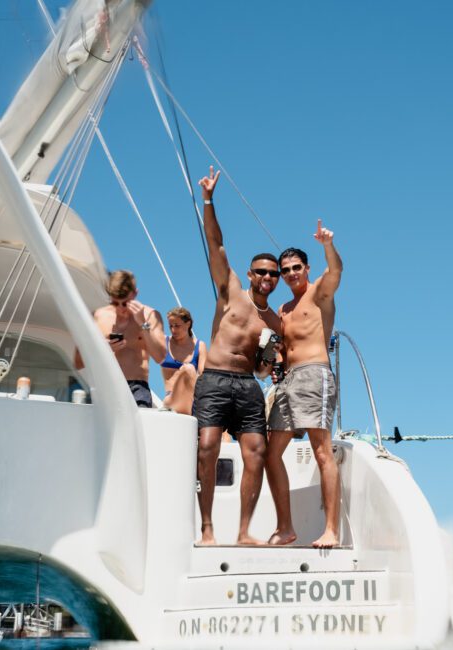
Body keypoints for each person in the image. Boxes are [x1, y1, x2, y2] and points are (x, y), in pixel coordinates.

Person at [195, 165, 282, 546]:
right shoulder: (230, 289)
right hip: (214, 379)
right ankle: (207, 528)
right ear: (249, 273)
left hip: (247, 386)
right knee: (208, 447)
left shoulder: (275, 320)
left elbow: (264, 370)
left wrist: (270, 354)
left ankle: (244, 531)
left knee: (257, 453)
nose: (268, 277)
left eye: (273, 274)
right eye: (262, 271)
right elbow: (215, 244)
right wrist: (209, 200)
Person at [266, 220, 343, 548]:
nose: (291, 273)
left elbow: (336, 270)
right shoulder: (282, 310)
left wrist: (327, 244)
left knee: (321, 452)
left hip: (315, 375)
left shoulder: (319, 292)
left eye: (296, 267)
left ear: (307, 268)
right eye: (285, 270)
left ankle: (330, 531)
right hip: (289, 381)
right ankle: (286, 527)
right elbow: (282, 348)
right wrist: (276, 362)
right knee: (271, 454)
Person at [75, 269, 166, 408]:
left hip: (137, 388)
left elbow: (160, 357)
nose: (120, 309)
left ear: (135, 293)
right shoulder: (99, 316)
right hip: (105, 387)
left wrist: (143, 324)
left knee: (137, 430)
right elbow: (78, 362)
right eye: (115, 303)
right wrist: (102, 348)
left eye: (125, 303)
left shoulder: (150, 315)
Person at [160, 307, 206, 414]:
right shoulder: (163, 341)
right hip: (171, 397)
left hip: (192, 399)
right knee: (188, 368)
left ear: (188, 324)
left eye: (177, 326)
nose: (173, 330)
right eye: (170, 326)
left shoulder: (200, 346)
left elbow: (203, 376)